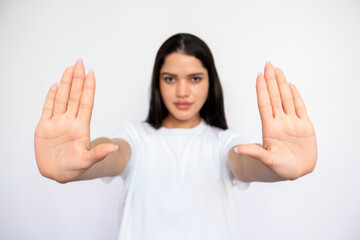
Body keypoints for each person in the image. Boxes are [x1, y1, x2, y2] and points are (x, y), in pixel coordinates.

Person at [34, 33, 317, 239]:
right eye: (170, 78)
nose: (182, 92)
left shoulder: (224, 143)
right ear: (157, 83)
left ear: (211, 82)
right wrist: (78, 161)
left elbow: (245, 163)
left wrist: (277, 168)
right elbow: (110, 155)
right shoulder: (136, 138)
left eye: (195, 78)